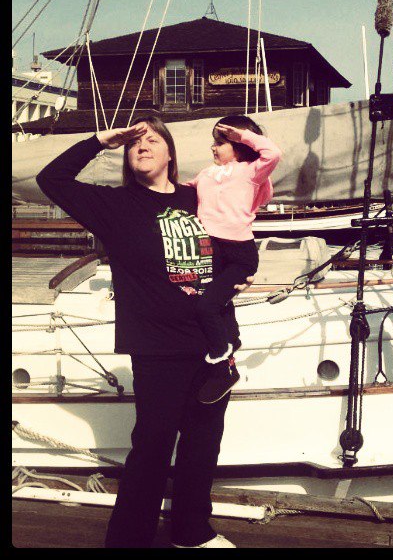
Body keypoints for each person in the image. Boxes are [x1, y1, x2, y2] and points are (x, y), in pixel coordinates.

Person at [36, 115, 253, 548]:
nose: (142, 145)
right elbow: (51, 179)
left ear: (171, 152)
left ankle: (192, 532)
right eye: (134, 141)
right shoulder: (114, 205)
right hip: (158, 347)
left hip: (214, 343)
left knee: (203, 445)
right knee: (153, 446)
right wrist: (102, 139)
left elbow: (235, 234)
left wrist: (236, 277)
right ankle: (128, 540)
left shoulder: (200, 195)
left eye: (153, 139)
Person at [184, 115, 282, 402]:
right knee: (217, 302)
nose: (213, 148)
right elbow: (181, 193)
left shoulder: (251, 172)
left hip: (240, 254)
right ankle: (232, 340)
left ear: (239, 145)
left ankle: (222, 369)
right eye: (214, 143)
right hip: (211, 249)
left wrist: (242, 136)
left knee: (207, 307)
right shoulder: (206, 174)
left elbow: (273, 153)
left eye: (220, 143)